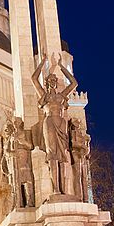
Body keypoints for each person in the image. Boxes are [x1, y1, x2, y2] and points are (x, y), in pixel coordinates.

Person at [31, 53, 77, 194]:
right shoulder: (44, 96)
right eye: (49, 80)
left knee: (62, 155)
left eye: (54, 80)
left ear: (56, 82)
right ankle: (55, 189)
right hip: (49, 122)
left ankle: (63, 190)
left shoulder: (61, 96)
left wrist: (61, 66)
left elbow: (74, 83)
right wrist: (42, 62)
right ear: (46, 83)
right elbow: (33, 79)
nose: (52, 81)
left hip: (61, 124)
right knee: (52, 155)